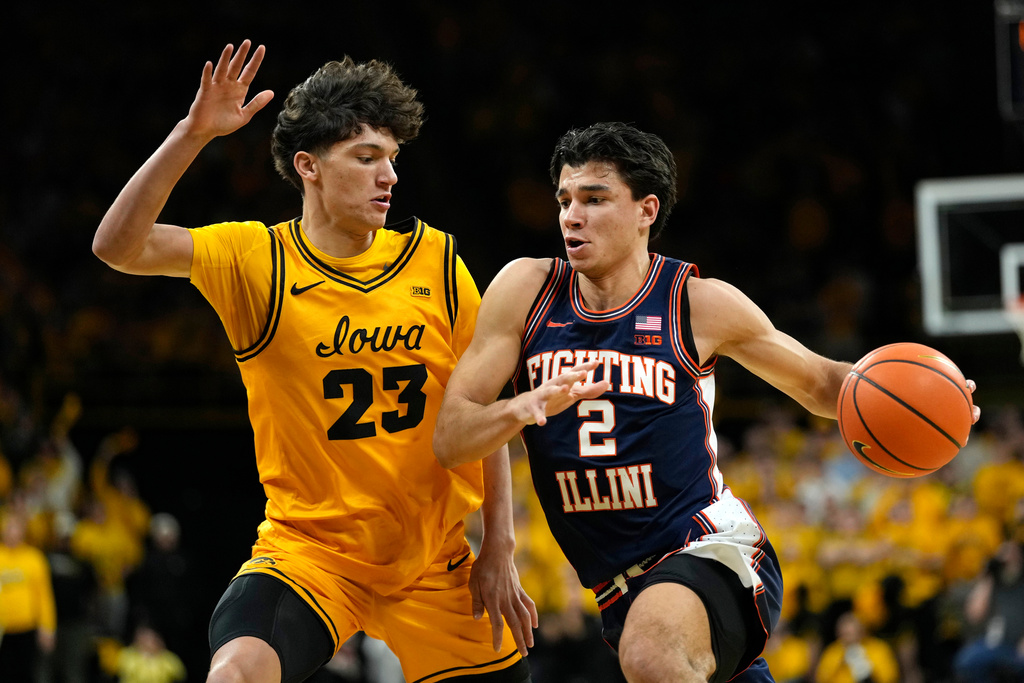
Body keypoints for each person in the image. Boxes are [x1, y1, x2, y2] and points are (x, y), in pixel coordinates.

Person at [433, 121, 982, 683]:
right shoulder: (524, 290)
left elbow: (822, 382)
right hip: (618, 587)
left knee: (651, 656)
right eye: (565, 199)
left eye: (595, 199)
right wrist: (523, 407)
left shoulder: (696, 303)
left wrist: (930, 397)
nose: (572, 216)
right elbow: (452, 438)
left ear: (646, 210)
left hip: (708, 549)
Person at [92, 41, 535, 683]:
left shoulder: (437, 263)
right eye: (366, 158)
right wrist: (193, 134)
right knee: (237, 673)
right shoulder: (256, 261)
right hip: (311, 555)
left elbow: (482, 408)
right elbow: (117, 247)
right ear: (309, 166)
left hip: (435, 558)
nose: (389, 177)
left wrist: (499, 545)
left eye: (392, 159)